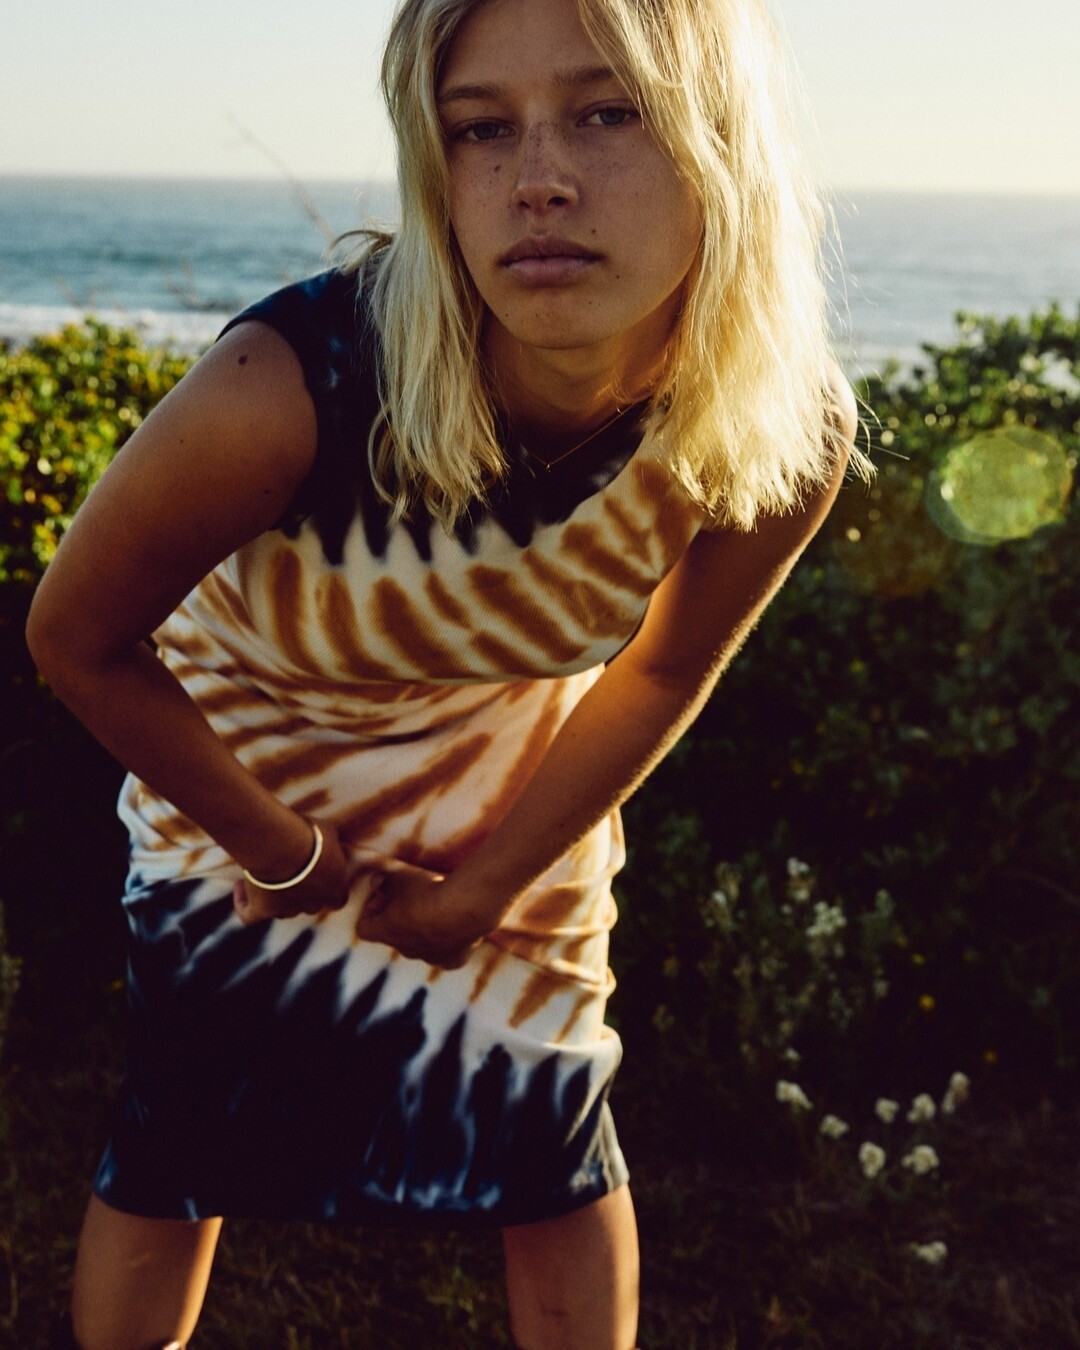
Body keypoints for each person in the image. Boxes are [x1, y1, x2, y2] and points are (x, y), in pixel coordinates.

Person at [27, 0, 862, 1345]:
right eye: (481, 129)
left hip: (508, 757)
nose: (539, 179)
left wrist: (491, 881)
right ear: (435, 166)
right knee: (183, 1132)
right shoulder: (286, 386)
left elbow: (658, 675)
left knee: (555, 1126)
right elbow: (75, 638)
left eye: (609, 112)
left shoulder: (781, 425)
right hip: (248, 743)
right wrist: (283, 850)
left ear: (722, 142)